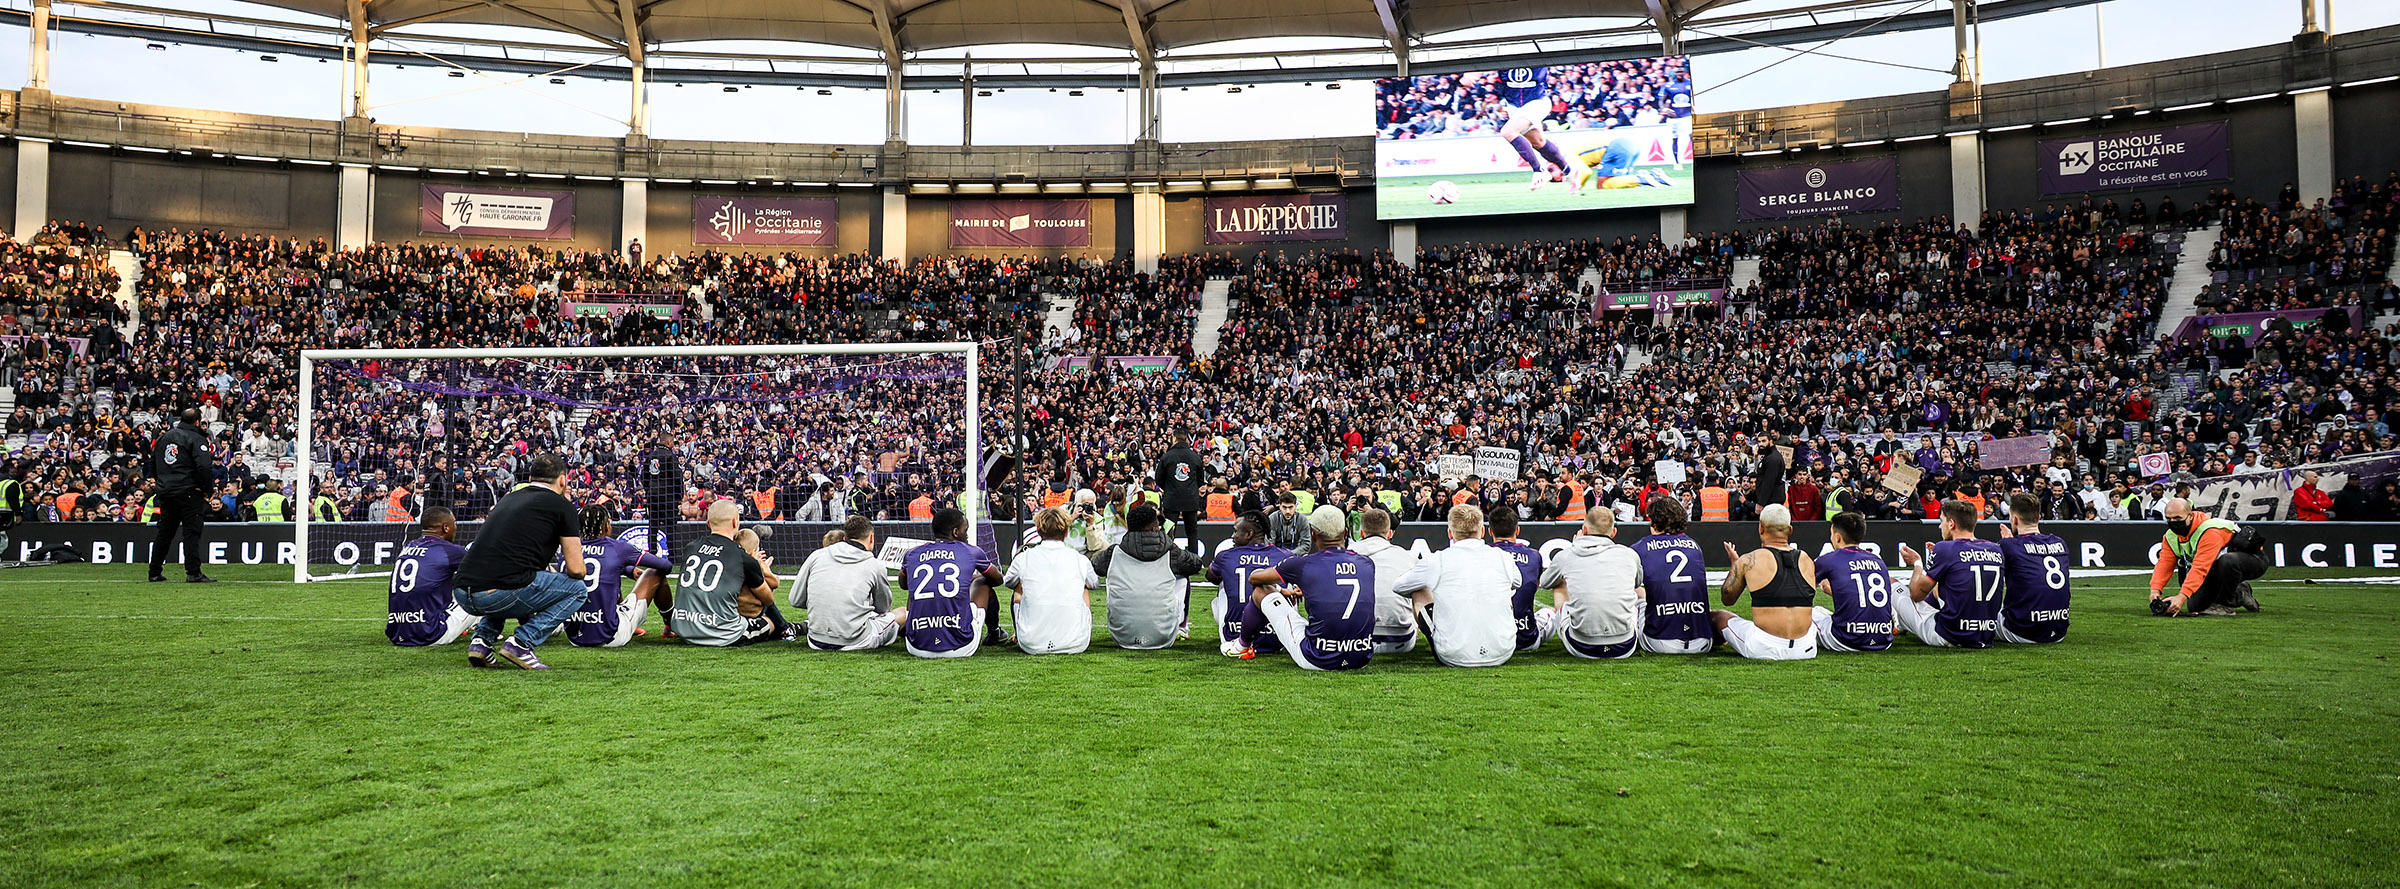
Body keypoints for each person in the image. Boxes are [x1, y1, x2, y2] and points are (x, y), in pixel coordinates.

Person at [452, 453, 588, 669]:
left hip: (462, 592)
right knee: (577, 589)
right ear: (562, 480)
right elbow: (577, 569)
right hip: (496, 594)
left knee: (516, 577)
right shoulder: (562, 506)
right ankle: (522, 643)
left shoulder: (508, 498)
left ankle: (482, 641)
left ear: (531, 478)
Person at [1231, 505, 1376, 671]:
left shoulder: (1303, 564)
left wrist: (1281, 589)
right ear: (1346, 532)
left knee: (1261, 591)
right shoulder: (1366, 563)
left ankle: (1241, 646)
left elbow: (1255, 578)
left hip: (1318, 658)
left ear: (1313, 535)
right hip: (1361, 658)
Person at [1392, 504, 1520, 668]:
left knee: (1419, 589)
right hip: (1503, 651)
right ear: (1482, 532)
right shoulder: (1503, 557)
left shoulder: (1437, 560)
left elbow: (1399, 586)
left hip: (1453, 654)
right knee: (1505, 589)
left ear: (1450, 533)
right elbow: (1518, 582)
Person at [671, 499, 788, 647]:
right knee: (769, 622)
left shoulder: (690, 547)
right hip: (724, 634)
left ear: (708, 523)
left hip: (684, 628)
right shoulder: (742, 558)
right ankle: (791, 628)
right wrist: (762, 569)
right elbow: (768, 599)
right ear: (735, 522)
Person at [1710, 504, 1819, 661]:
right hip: (1806, 648)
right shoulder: (1807, 560)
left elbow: (1728, 599)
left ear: (1761, 528)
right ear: (1790, 530)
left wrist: (1735, 564)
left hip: (1764, 646)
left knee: (1718, 616)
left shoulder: (1749, 559)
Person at [1893, 499, 2006, 648]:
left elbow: (1916, 594)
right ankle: (1903, 623)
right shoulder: (1995, 549)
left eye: (1942, 521)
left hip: (1949, 634)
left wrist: (1917, 563)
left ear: (1951, 524)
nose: (1940, 526)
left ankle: (1900, 622)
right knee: (1940, 586)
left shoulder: (1945, 548)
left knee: (1892, 583)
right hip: (1985, 634)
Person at [1091, 503, 1203, 649]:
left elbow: (1096, 566)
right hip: (1163, 635)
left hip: (1122, 635)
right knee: (1182, 577)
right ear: (1156, 527)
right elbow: (1196, 564)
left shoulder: (1114, 552)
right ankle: (1181, 628)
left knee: (1111, 573)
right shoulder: (1171, 552)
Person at [560, 505, 673, 648]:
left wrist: (627, 570)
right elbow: (665, 566)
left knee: (610, 574)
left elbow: (596, 565)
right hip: (610, 636)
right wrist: (626, 566)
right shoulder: (617, 548)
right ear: (606, 526)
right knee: (654, 572)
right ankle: (670, 625)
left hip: (575, 637)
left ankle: (621, 617)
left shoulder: (569, 549)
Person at [901, 507, 1005, 658]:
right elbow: (997, 579)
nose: (967, 535)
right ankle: (995, 633)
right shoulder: (970, 551)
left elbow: (903, 584)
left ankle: (914, 629)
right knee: (983, 583)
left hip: (916, 647)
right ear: (956, 532)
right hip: (960, 644)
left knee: (915, 588)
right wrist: (972, 578)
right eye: (965, 530)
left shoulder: (912, 553)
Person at [1540, 510, 1642, 659]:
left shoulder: (1567, 555)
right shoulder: (1629, 554)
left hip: (1581, 645)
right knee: (1638, 591)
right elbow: (1637, 583)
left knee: (1559, 583)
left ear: (1584, 529)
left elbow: (1545, 582)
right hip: (1625, 644)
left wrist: (1575, 547)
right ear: (1613, 532)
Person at [791, 515, 903, 650]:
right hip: (855, 640)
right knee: (903, 613)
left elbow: (795, 600)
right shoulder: (875, 565)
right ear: (871, 538)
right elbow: (883, 609)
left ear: (845, 538)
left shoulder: (816, 555)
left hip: (815, 639)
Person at [1004, 506, 1103, 655]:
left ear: (1038, 531)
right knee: (1084, 587)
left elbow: (1009, 582)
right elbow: (1094, 583)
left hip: (1031, 643)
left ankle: (1020, 633)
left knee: (1019, 585)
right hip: (1075, 643)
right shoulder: (1079, 559)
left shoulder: (1024, 558)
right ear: (1067, 532)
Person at [2148, 498, 2265, 616]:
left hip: (2252, 559)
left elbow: (2200, 567)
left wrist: (2182, 596)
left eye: (2177, 518)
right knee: (2195, 606)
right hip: (2216, 566)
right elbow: (2164, 563)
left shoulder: (2210, 532)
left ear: (2190, 516)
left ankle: (2227, 605)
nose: (2173, 522)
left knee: (2227, 561)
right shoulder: (2170, 536)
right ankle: (2239, 592)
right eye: (2168, 519)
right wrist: (2155, 590)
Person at [1205, 513, 1294, 656]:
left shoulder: (1226, 556)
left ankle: (1237, 631)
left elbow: (1211, 577)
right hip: (1277, 638)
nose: (1233, 536)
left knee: (1223, 582)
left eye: (1235, 531)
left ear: (1249, 534)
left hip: (1234, 635)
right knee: (1289, 581)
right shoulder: (1286, 555)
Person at [1632, 499, 1713, 654]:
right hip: (1702, 641)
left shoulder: (1641, 547)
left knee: (1638, 593)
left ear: (1653, 521)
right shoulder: (1694, 545)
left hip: (1660, 639)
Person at [387, 507, 473, 647]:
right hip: (431, 633)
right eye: (454, 523)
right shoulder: (450, 551)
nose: (455, 527)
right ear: (446, 527)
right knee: (480, 591)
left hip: (397, 633)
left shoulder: (407, 547)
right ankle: (485, 634)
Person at [1810, 512, 1895, 653]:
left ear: (1837, 537)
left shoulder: (1829, 559)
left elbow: (1802, 588)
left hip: (1846, 640)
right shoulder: (1878, 560)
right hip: (1883, 639)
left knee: (1812, 612)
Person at [148, 407, 215, 584]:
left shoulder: (163, 437)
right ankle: (193, 572)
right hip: (188, 491)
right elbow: (204, 467)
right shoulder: (196, 438)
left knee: (165, 531)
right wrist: (207, 490)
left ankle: (154, 571)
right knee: (191, 532)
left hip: (166, 491)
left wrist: (161, 483)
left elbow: (152, 462)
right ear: (197, 421)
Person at [1995, 492, 2072, 644]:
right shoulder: (2060, 542)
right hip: (2058, 631)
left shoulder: (2009, 545)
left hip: (2022, 631)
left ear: (2014, 519)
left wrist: (2008, 542)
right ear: (2039, 517)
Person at [1351, 507, 1421, 654]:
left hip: (1356, 639)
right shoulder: (1406, 556)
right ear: (1389, 534)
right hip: (1401, 640)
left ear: (1362, 533)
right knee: (1421, 587)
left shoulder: (1348, 554)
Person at [1486, 507, 1556, 651]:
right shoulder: (1534, 555)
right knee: (1550, 611)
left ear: (1490, 531)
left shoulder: (1482, 554)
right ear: (1517, 530)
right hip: (1525, 638)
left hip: (1492, 638)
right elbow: (1535, 586)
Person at [1153, 431, 1207, 555]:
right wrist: (1191, 488)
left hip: (1172, 498)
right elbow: (1200, 480)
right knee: (1192, 532)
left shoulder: (1167, 456)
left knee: (1169, 530)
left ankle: (1167, 557)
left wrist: (1168, 488)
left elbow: (1158, 479)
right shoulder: (1195, 456)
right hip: (1190, 498)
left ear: (1174, 439)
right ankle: (1194, 559)